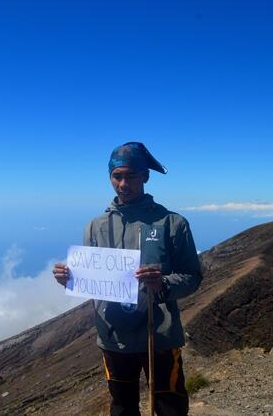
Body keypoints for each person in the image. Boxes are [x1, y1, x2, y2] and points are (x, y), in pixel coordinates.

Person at [53, 142, 202, 416]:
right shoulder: (96, 226)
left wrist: (164, 284)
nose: (123, 184)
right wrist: (70, 278)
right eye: (116, 176)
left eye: (131, 176)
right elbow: (92, 277)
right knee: (121, 408)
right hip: (113, 338)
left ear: (145, 176)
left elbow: (193, 277)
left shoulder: (172, 223)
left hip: (160, 337)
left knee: (171, 407)